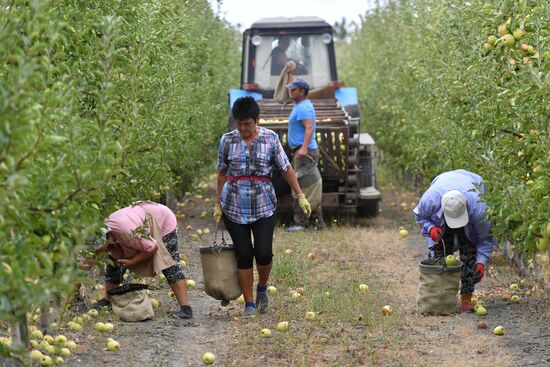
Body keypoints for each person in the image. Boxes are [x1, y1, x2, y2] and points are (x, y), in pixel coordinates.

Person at [213, 96, 311, 317]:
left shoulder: (271, 139)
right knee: (244, 253)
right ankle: (249, 304)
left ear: (257, 120)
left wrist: (299, 194)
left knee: (264, 252)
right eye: (239, 123)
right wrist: (218, 203)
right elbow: (221, 172)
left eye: (247, 123)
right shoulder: (227, 140)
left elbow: (286, 168)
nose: (243, 128)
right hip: (234, 204)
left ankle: (262, 289)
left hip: (264, 204)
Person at [412, 169, 495, 313]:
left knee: (470, 251)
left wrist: (481, 262)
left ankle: (466, 296)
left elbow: (485, 238)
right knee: (440, 254)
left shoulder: (479, 209)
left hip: (471, 187)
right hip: (443, 183)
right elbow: (420, 216)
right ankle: (440, 295)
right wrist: (431, 228)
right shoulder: (430, 200)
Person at [93, 201, 193, 319]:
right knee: (113, 263)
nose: (96, 252)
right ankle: (108, 300)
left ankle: (186, 309)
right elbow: (84, 264)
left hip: (162, 220)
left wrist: (132, 261)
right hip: (140, 222)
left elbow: (152, 247)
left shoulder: (128, 233)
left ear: (105, 241)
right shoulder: (106, 231)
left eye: (97, 249)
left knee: (169, 265)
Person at [285, 77, 324, 232]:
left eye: (294, 89)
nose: (291, 92)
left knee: (301, 188)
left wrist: (304, 148)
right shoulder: (301, 105)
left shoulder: (303, 108)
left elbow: (309, 128)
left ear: (302, 92)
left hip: (304, 152)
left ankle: (301, 223)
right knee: (307, 187)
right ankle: (316, 223)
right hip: (302, 150)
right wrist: (290, 72)